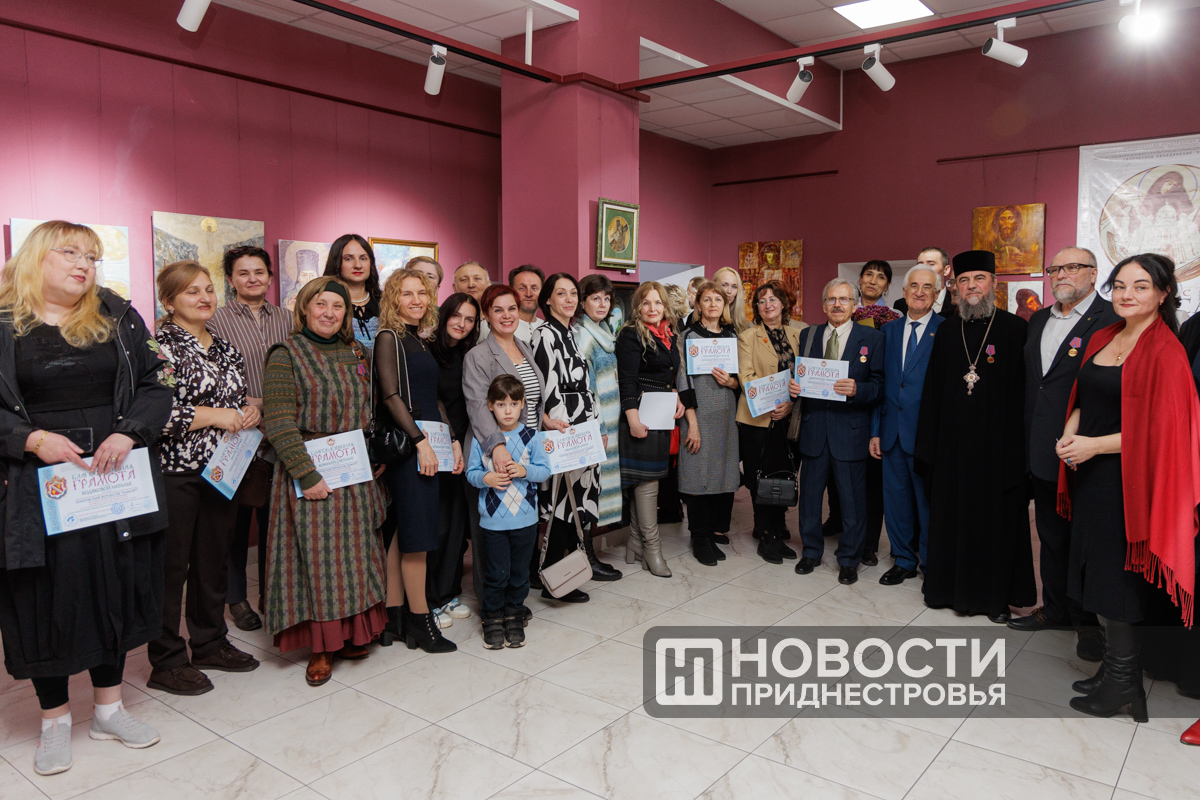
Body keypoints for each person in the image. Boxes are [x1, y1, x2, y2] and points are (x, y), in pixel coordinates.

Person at [0, 221, 171, 775]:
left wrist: (131, 433)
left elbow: (158, 383)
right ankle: (53, 720)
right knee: (42, 595)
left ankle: (108, 709)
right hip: (36, 484)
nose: (84, 264)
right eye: (70, 252)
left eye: (92, 256)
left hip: (111, 480)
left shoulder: (118, 316)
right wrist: (31, 439)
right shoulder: (3, 322)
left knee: (114, 583)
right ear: (35, 257)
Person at [1057, 253, 1200, 722]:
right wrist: (1070, 434)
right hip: (1091, 476)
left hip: (1129, 482)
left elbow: (1165, 430)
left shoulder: (1166, 350)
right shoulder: (1105, 335)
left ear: (1163, 294)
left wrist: (1094, 445)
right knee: (1093, 573)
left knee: (1115, 580)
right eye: (1120, 285)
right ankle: (1114, 671)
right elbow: (1084, 396)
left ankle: (1124, 682)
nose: (1126, 294)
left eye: (1140, 286)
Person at [262, 277, 389, 686]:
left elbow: (372, 410)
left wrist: (374, 456)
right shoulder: (286, 354)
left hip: (354, 471)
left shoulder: (357, 352)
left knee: (355, 558)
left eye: (337, 306)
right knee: (319, 562)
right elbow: (278, 420)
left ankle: (350, 635)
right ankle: (322, 646)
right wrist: (307, 473)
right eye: (321, 304)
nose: (329, 313)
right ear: (304, 308)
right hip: (311, 470)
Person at [150, 261, 261, 695]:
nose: (204, 298)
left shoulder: (225, 346)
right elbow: (155, 413)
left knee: (212, 561)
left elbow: (237, 397)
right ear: (169, 301)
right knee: (170, 568)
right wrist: (217, 416)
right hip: (176, 472)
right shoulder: (158, 347)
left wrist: (250, 410)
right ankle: (166, 660)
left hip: (222, 469)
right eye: (191, 291)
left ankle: (210, 642)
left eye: (209, 289)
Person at [1009, 247, 1117, 663]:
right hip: (1040, 446)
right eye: (1055, 268)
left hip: (1088, 450)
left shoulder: (1111, 318)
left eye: (1073, 267)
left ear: (1093, 272)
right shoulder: (1039, 319)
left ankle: (1088, 624)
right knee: (1051, 537)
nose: (1061, 274)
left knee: (1084, 544)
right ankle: (1055, 610)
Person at [916, 250, 1035, 623]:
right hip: (951, 450)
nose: (971, 286)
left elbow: (1024, 396)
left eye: (979, 279)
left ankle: (992, 598)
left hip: (997, 451)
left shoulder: (1015, 330)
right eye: (964, 280)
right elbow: (932, 392)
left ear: (993, 284)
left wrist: (1019, 454)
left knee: (994, 526)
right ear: (955, 287)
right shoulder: (946, 330)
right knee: (950, 520)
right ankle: (945, 591)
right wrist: (928, 448)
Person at [207, 245, 291, 633]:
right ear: (230, 279)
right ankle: (236, 599)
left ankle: (272, 594)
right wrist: (244, 406)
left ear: (270, 277)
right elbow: (211, 374)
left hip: (280, 430)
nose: (252, 278)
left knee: (276, 521)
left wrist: (269, 405)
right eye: (243, 273)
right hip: (235, 432)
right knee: (235, 522)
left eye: (259, 272)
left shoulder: (288, 318)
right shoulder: (216, 320)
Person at [375, 270, 458, 653]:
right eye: (406, 294)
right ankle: (421, 622)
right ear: (393, 298)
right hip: (412, 447)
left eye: (421, 293)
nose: (415, 300)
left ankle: (392, 617)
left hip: (429, 443)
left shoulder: (419, 340)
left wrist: (451, 441)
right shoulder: (388, 337)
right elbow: (391, 396)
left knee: (404, 533)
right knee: (419, 539)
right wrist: (420, 442)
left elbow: (432, 397)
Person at [791, 279, 884, 585]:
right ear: (823, 305)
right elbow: (800, 374)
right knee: (810, 500)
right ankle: (811, 552)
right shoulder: (809, 334)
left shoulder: (872, 338)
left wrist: (858, 389)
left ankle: (849, 559)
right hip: (814, 429)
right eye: (831, 299)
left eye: (844, 299)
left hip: (851, 431)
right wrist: (793, 386)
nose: (837, 305)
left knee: (852, 502)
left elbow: (879, 385)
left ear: (854, 305)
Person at [532, 272, 620, 595]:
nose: (569, 299)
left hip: (585, 428)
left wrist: (595, 428)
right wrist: (563, 431)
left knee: (579, 504)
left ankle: (568, 574)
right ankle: (554, 580)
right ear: (548, 300)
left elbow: (587, 388)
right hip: (564, 429)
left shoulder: (571, 333)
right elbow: (548, 388)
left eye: (572, 293)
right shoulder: (544, 335)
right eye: (561, 293)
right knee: (561, 504)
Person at [463, 284, 547, 615]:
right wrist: (497, 448)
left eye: (511, 308)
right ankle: (491, 608)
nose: (507, 315)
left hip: (526, 448)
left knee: (520, 532)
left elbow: (529, 398)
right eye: (498, 310)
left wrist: (545, 420)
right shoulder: (478, 356)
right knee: (491, 534)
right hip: (491, 450)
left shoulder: (523, 346)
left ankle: (514, 603)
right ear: (486, 315)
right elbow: (477, 406)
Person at [870, 266, 944, 586]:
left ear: (936, 294)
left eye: (927, 287)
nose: (919, 292)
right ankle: (903, 559)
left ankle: (931, 563)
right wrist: (875, 430)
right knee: (896, 502)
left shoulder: (946, 330)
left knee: (928, 504)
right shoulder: (888, 331)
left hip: (927, 435)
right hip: (891, 433)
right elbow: (880, 383)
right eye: (913, 286)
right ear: (904, 291)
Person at [467, 376, 553, 649]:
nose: (507, 411)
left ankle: (514, 615)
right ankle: (492, 617)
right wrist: (487, 478)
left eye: (513, 404)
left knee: (519, 573)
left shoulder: (532, 436)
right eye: (501, 404)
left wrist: (524, 471)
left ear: (522, 404)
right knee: (497, 573)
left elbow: (545, 471)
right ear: (490, 406)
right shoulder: (482, 439)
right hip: (493, 523)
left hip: (526, 522)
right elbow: (471, 474)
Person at [617, 281, 683, 578]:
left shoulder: (669, 334)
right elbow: (627, 380)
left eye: (657, 302)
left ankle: (635, 542)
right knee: (647, 483)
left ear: (665, 306)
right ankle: (653, 549)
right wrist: (632, 418)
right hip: (641, 415)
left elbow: (669, 375)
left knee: (648, 480)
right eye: (646, 303)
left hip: (661, 416)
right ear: (637, 307)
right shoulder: (631, 334)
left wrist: (677, 396)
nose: (652, 308)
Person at [736, 281, 805, 564]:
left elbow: (806, 375)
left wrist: (790, 404)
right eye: (762, 301)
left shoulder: (801, 332)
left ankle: (777, 531)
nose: (767, 305)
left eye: (773, 299)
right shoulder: (747, 337)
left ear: (784, 303)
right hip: (758, 420)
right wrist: (776, 401)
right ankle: (765, 535)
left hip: (790, 418)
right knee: (760, 478)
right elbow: (746, 377)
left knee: (784, 475)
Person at [426, 293, 481, 626]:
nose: (462, 324)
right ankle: (429, 599)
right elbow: (432, 401)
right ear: (444, 314)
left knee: (458, 526)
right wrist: (451, 440)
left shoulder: (470, 354)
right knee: (438, 524)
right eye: (457, 316)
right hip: (437, 446)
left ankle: (448, 593)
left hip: (467, 447)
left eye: (470, 319)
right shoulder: (428, 351)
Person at [677, 281, 741, 566]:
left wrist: (732, 382)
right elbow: (683, 381)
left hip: (726, 414)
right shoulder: (687, 336)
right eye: (707, 299)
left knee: (721, 474)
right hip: (699, 415)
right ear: (698, 305)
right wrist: (692, 424)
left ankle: (712, 531)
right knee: (697, 475)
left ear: (724, 305)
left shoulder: (731, 336)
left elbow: (741, 380)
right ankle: (699, 537)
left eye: (718, 299)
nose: (713, 304)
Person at [575, 275, 624, 535]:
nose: (603, 304)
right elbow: (589, 389)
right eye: (595, 298)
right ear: (582, 303)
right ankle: (584, 547)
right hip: (599, 423)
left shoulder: (603, 331)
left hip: (611, 420)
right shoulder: (583, 336)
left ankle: (589, 545)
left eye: (606, 298)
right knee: (591, 485)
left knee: (602, 482)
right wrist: (600, 428)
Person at [323, 234, 381, 349]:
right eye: (348, 259)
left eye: (363, 258)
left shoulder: (385, 302)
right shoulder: (325, 303)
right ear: (336, 262)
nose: (358, 265)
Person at [896, 247, 958, 319]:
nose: (924, 268)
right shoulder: (901, 304)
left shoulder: (956, 302)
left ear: (946, 270)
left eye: (931, 264)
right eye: (920, 264)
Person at [853, 260, 902, 328]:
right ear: (860, 279)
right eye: (869, 274)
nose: (873, 282)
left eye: (881, 277)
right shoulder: (846, 310)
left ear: (887, 286)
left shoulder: (894, 316)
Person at [509, 264, 544, 344]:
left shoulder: (546, 327)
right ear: (511, 291)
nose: (528, 294)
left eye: (534, 288)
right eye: (522, 288)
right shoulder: (503, 326)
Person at [714, 267, 750, 332]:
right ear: (713, 286)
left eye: (734, 286)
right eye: (724, 285)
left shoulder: (739, 323)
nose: (729, 291)